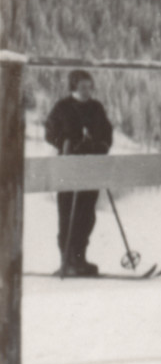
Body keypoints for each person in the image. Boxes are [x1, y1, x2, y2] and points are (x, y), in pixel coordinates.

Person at [44, 70, 113, 277]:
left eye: (89, 86)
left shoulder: (96, 107)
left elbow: (106, 133)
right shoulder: (63, 107)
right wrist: (66, 142)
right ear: (73, 86)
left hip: (90, 168)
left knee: (87, 215)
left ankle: (81, 258)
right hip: (67, 167)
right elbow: (50, 132)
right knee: (67, 214)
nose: (86, 91)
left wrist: (100, 145)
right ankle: (67, 259)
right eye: (82, 86)